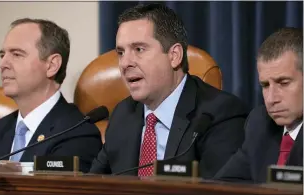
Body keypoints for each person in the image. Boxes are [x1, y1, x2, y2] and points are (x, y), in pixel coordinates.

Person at [89, 3, 248, 178]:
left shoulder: (219, 114)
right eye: (120, 52)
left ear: (174, 56)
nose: (125, 63)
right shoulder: (123, 114)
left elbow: (218, 189)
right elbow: (92, 183)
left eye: (139, 49)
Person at [0, 18, 102, 173]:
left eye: (16, 54)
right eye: (2, 55)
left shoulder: (77, 133)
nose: (3, 64)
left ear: (52, 65)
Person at [215, 27, 303, 183]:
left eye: (283, 83)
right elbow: (225, 184)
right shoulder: (259, 123)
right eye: (265, 85)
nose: (271, 99)